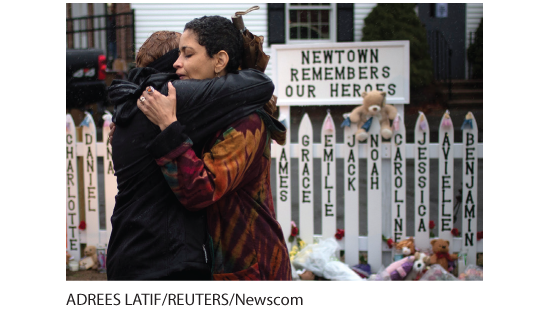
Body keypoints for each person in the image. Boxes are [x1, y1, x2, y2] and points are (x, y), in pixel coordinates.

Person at [106, 30, 278, 280]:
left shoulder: (135, 102)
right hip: (163, 260)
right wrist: (168, 127)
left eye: (188, 55)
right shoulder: (168, 96)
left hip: (128, 248)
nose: (180, 64)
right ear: (169, 64)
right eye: (180, 55)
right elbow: (260, 85)